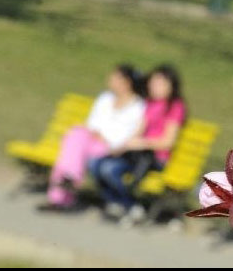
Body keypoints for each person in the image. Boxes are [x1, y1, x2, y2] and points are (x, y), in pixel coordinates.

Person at [39, 65, 145, 210]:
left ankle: (61, 194)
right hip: (91, 141)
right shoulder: (105, 98)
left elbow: (129, 135)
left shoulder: (138, 107)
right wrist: (95, 134)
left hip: (112, 149)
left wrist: (105, 138)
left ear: (127, 82)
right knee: (76, 136)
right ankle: (69, 182)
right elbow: (92, 123)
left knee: (73, 145)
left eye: (115, 77)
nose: (110, 79)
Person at [90, 65, 187, 222]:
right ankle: (116, 203)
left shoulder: (175, 107)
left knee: (110, 169)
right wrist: (122, 147)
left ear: (171, 86)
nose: (154, 87)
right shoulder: (149, 103)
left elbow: (167, 142)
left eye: (160, 84)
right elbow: (138, 130)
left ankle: (131, 205)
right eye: (153, 83)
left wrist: (142, 143)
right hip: (136, 154)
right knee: (97, 164)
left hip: (155, 158)